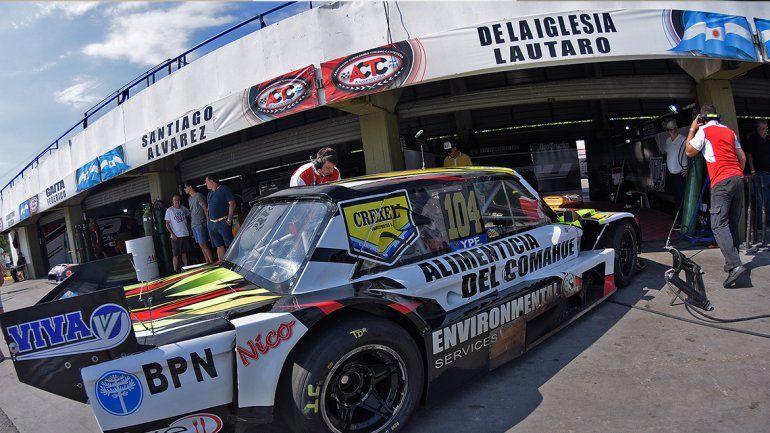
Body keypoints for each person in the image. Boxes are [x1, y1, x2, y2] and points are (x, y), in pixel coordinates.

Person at [685, 104, 747, 287]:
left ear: (702, 119)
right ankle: (734, 261)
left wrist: (692, 128)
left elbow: (689, 151)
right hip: (738, 178)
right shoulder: (729, 131)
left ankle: (734, 266)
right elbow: (742, 158)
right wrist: (735, 174)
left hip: (722, 182)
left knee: (718, 224)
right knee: (731, 223)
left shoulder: (704, 130)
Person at [745, 120, 770, 226]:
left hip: (769, 173)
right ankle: (761, 224)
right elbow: (749, 155)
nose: (766, 131)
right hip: (760, 173)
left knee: (768, 199)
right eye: (763, 129)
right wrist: (753, 170)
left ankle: (768, 222)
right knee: (761, 200)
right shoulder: (753, 139)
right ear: (758, 129)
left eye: (767, 129)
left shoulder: (768, 139)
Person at [205, 174, 236, 261]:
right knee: (219, 245)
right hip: (212, 224)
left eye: (206, 181)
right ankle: (222, 265)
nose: (205, 183)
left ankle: (234, 262)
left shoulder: (224, 189)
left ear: (212, 181)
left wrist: (229, 220)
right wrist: (208, 221)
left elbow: (232, 204)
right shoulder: (209, 194)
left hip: (223, 222)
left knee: (230, 244)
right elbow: (208, 208)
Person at [184, 182, 215, 264]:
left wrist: (208, 219)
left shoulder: (199, 196)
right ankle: (207, 261)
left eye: (185, 187)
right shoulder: (189, 199)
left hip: (200, 222)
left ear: (190, 187)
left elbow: (205, 208)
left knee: (203, 244)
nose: (184, 190)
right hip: (194, 224)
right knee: (200, 245)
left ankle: (211, 262)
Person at [663, 120, 688, 208]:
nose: (670, 132)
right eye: (669, 130)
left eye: (672, 130)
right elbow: (668, 153)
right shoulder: (668, 141)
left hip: (681, 174)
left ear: (676, 129)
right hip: (672, 174)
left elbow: (690, 154)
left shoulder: (684, 139)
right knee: (676, 197)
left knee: (682, 197)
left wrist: (688, 168)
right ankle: (679, 216)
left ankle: (683, 217)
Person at [164, 194, 191, 273]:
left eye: (178, 199)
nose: (177, 201)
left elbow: (189, 216)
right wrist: (172, 234)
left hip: (185, 234)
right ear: (172, 201)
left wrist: (189, 228)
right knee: (175, 254)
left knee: (184, 253)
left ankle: (186, 269)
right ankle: (175, 270)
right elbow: (167, 224)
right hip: (176, 236)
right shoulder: (170, 210)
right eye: (175, 200)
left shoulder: (184, 208)